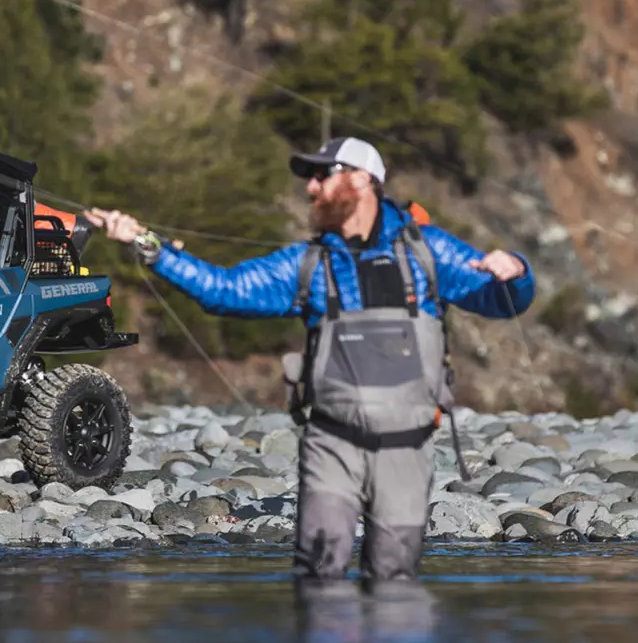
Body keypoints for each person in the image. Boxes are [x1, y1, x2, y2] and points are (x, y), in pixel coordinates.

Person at [84, 136, 534, 584]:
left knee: (395, 579)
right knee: (319, 575)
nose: (311, 187)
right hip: (330, 445)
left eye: (323, 175)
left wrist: (515, 271)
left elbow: (502, 301)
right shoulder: (308, 263)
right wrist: (149, 245)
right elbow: (223, 291)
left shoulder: (429, 251)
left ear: (362, 180)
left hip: (408, 444)